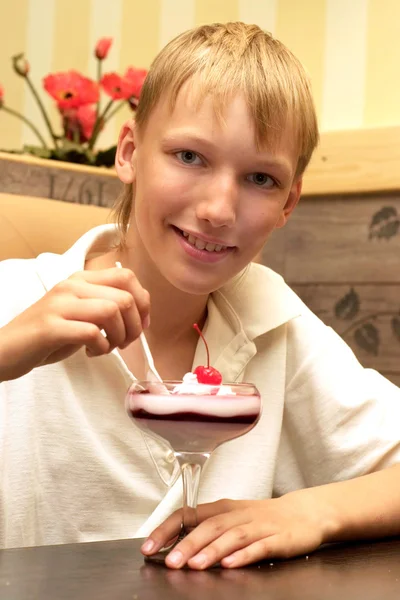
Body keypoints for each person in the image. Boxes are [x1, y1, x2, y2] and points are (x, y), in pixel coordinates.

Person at [1, 22, 400, 570]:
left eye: (261, 178)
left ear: (290, 202)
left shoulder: (272, 320)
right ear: (129, 152)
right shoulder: (17, 297)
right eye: (189, 157)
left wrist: (310, 512)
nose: (218, 209)